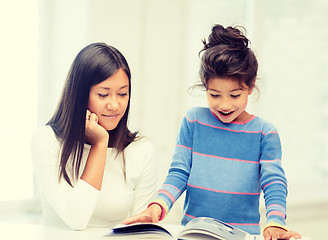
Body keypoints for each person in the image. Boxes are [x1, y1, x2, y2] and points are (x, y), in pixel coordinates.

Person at [123, 25, 302, 240]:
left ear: (251, 86)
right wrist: (158, 204)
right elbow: (179, 173)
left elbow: (274, 183)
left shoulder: (264, 133)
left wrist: (276, 222)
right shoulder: (194, 121)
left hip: (243, 235)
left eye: (235, 95)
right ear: (205, 87)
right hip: (193, 234)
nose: (224, 105)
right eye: (215, 95)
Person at [31, 43, 157, 230]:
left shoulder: (141, 149)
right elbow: (76, 219)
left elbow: (141, 230)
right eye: (103, 94)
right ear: (80, 95)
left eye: (123, 93)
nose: (114, 105)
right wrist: (100, 143)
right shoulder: (47, 140)